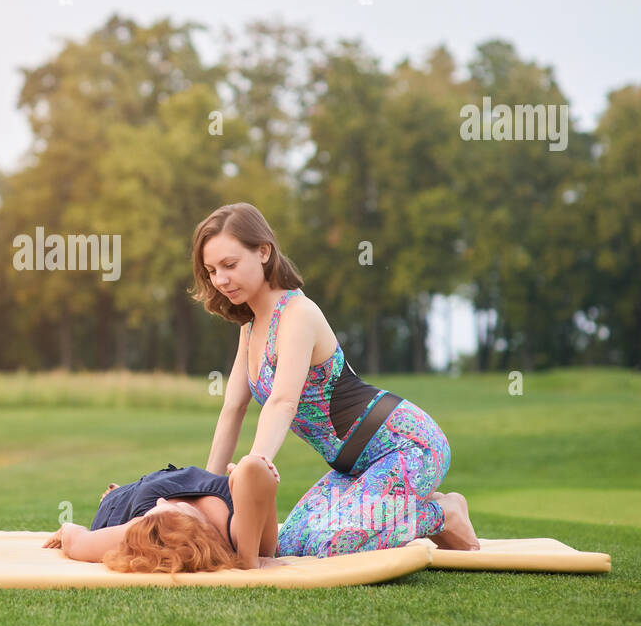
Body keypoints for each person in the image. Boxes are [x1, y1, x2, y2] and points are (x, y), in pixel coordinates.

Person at [190, 202, 481, 557]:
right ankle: (404, 506)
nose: (220, 280)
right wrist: (205, 493)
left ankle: (443, 514)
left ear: (264, 252)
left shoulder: (297, 314)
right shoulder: (249, 327)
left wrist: (255, 467)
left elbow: (283, 401)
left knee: (331, 545)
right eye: (212, 270)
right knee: (292, 546)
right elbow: (233, 408)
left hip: (407, 446)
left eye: (229, 265)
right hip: (351, 468)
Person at [42, 458, 288, 572]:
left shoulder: (139, 529)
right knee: (141, 496)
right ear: (196, 528)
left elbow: (76, 540)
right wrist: (241, 476)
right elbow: (255, 469)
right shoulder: (233, 534)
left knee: (124, 499)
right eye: (172, 508)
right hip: (148, 490)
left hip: (125, 506)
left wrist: (65, 529)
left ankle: (117, 496)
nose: (161, 502)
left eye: (157, 509)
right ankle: (120, 495)